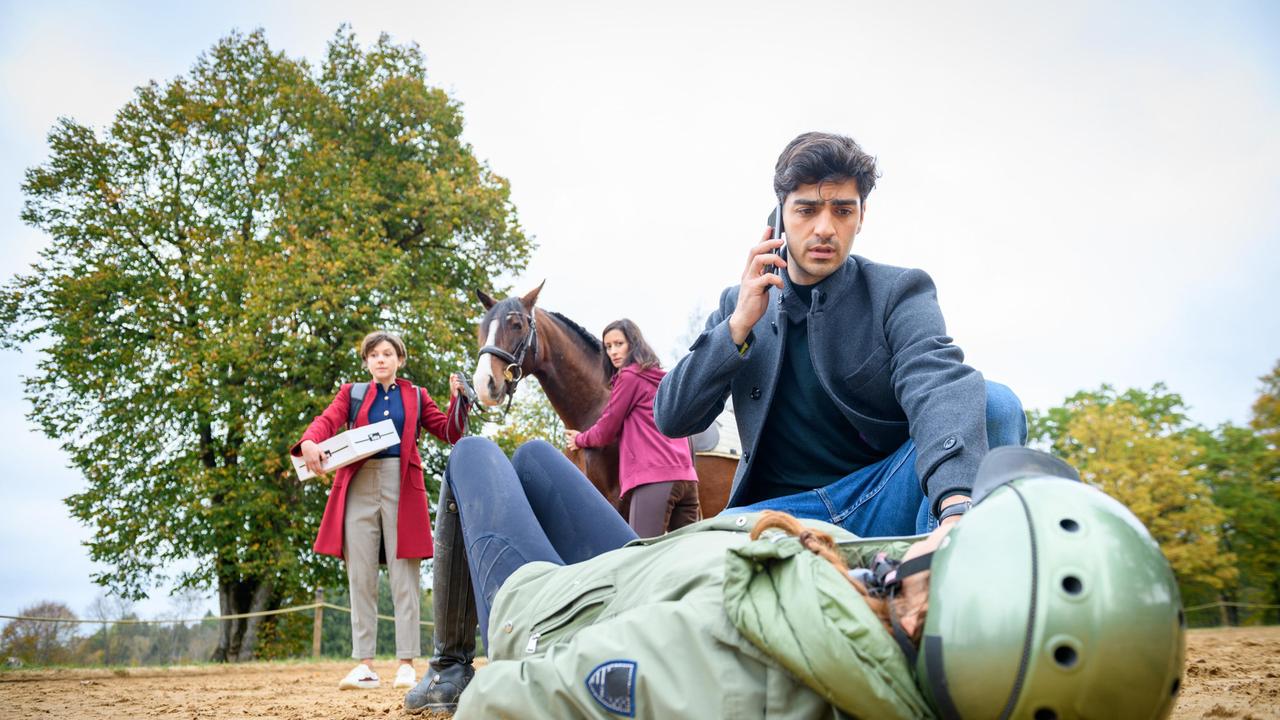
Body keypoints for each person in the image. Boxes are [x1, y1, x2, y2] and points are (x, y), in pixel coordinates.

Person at [412, 438, 1185, 719]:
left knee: (478, 454)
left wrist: (490, 677)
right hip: (640, 572)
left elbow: (512, 705)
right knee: (543, 461)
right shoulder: (880, 600)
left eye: (962, 540)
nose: (946, 525)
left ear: (923, 616)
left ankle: (447, 664)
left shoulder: (742, 672)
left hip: (552, 614)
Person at [655, 131, 1028, 537]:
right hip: (775, 514)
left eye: (842, 211)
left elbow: (936, 380)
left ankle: (942, 567)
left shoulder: (898, 292)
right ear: (779, 217)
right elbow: (673, 418)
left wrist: (957, 508)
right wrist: (737, 328)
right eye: (807, 210)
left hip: (879, 500)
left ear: (861, 216)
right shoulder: (740, 305)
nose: (825, 228)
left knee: (995, 403)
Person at [292, 330, 467, 691]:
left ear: (400, 359)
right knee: (361, 574)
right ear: (367, 361)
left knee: (405, 577)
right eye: (374, 355)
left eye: (388, 353)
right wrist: (309, 441)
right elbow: (327, 420)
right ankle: (365, 664)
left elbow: (450, 432)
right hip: (357, 483)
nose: (381, 359)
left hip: (402, 484)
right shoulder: (351, 393)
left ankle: (406, 662)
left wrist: (457, 401)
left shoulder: (416, 396)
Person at [565, 318, 699, 537]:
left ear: (633, 343)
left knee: (642, 556)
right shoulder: (661, 378)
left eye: (619, 344)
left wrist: (579, 439)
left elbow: (607, 429)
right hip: (687, 480)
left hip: (655, 479)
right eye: (608, 347)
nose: (613, 352)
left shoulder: (629, 377)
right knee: (687, 559)